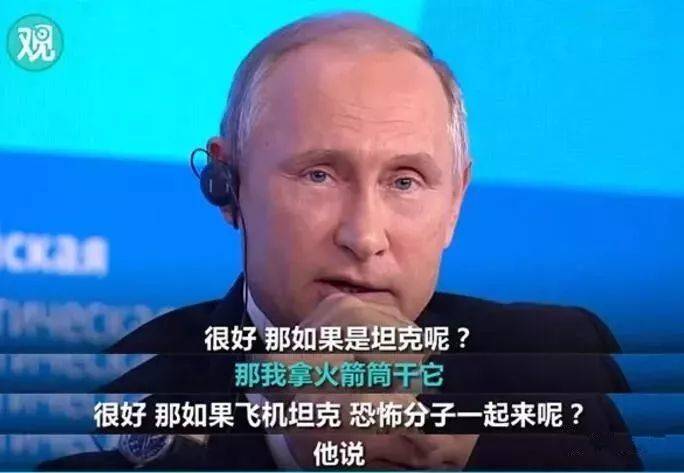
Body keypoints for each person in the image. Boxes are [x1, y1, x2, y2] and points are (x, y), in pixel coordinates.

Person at [39, 12, 642, 471]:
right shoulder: (131, 408)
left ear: (456, 201)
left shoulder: (557, 370)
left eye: (405, 181)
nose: (364, 236)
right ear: (228, 185)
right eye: (319, 175)